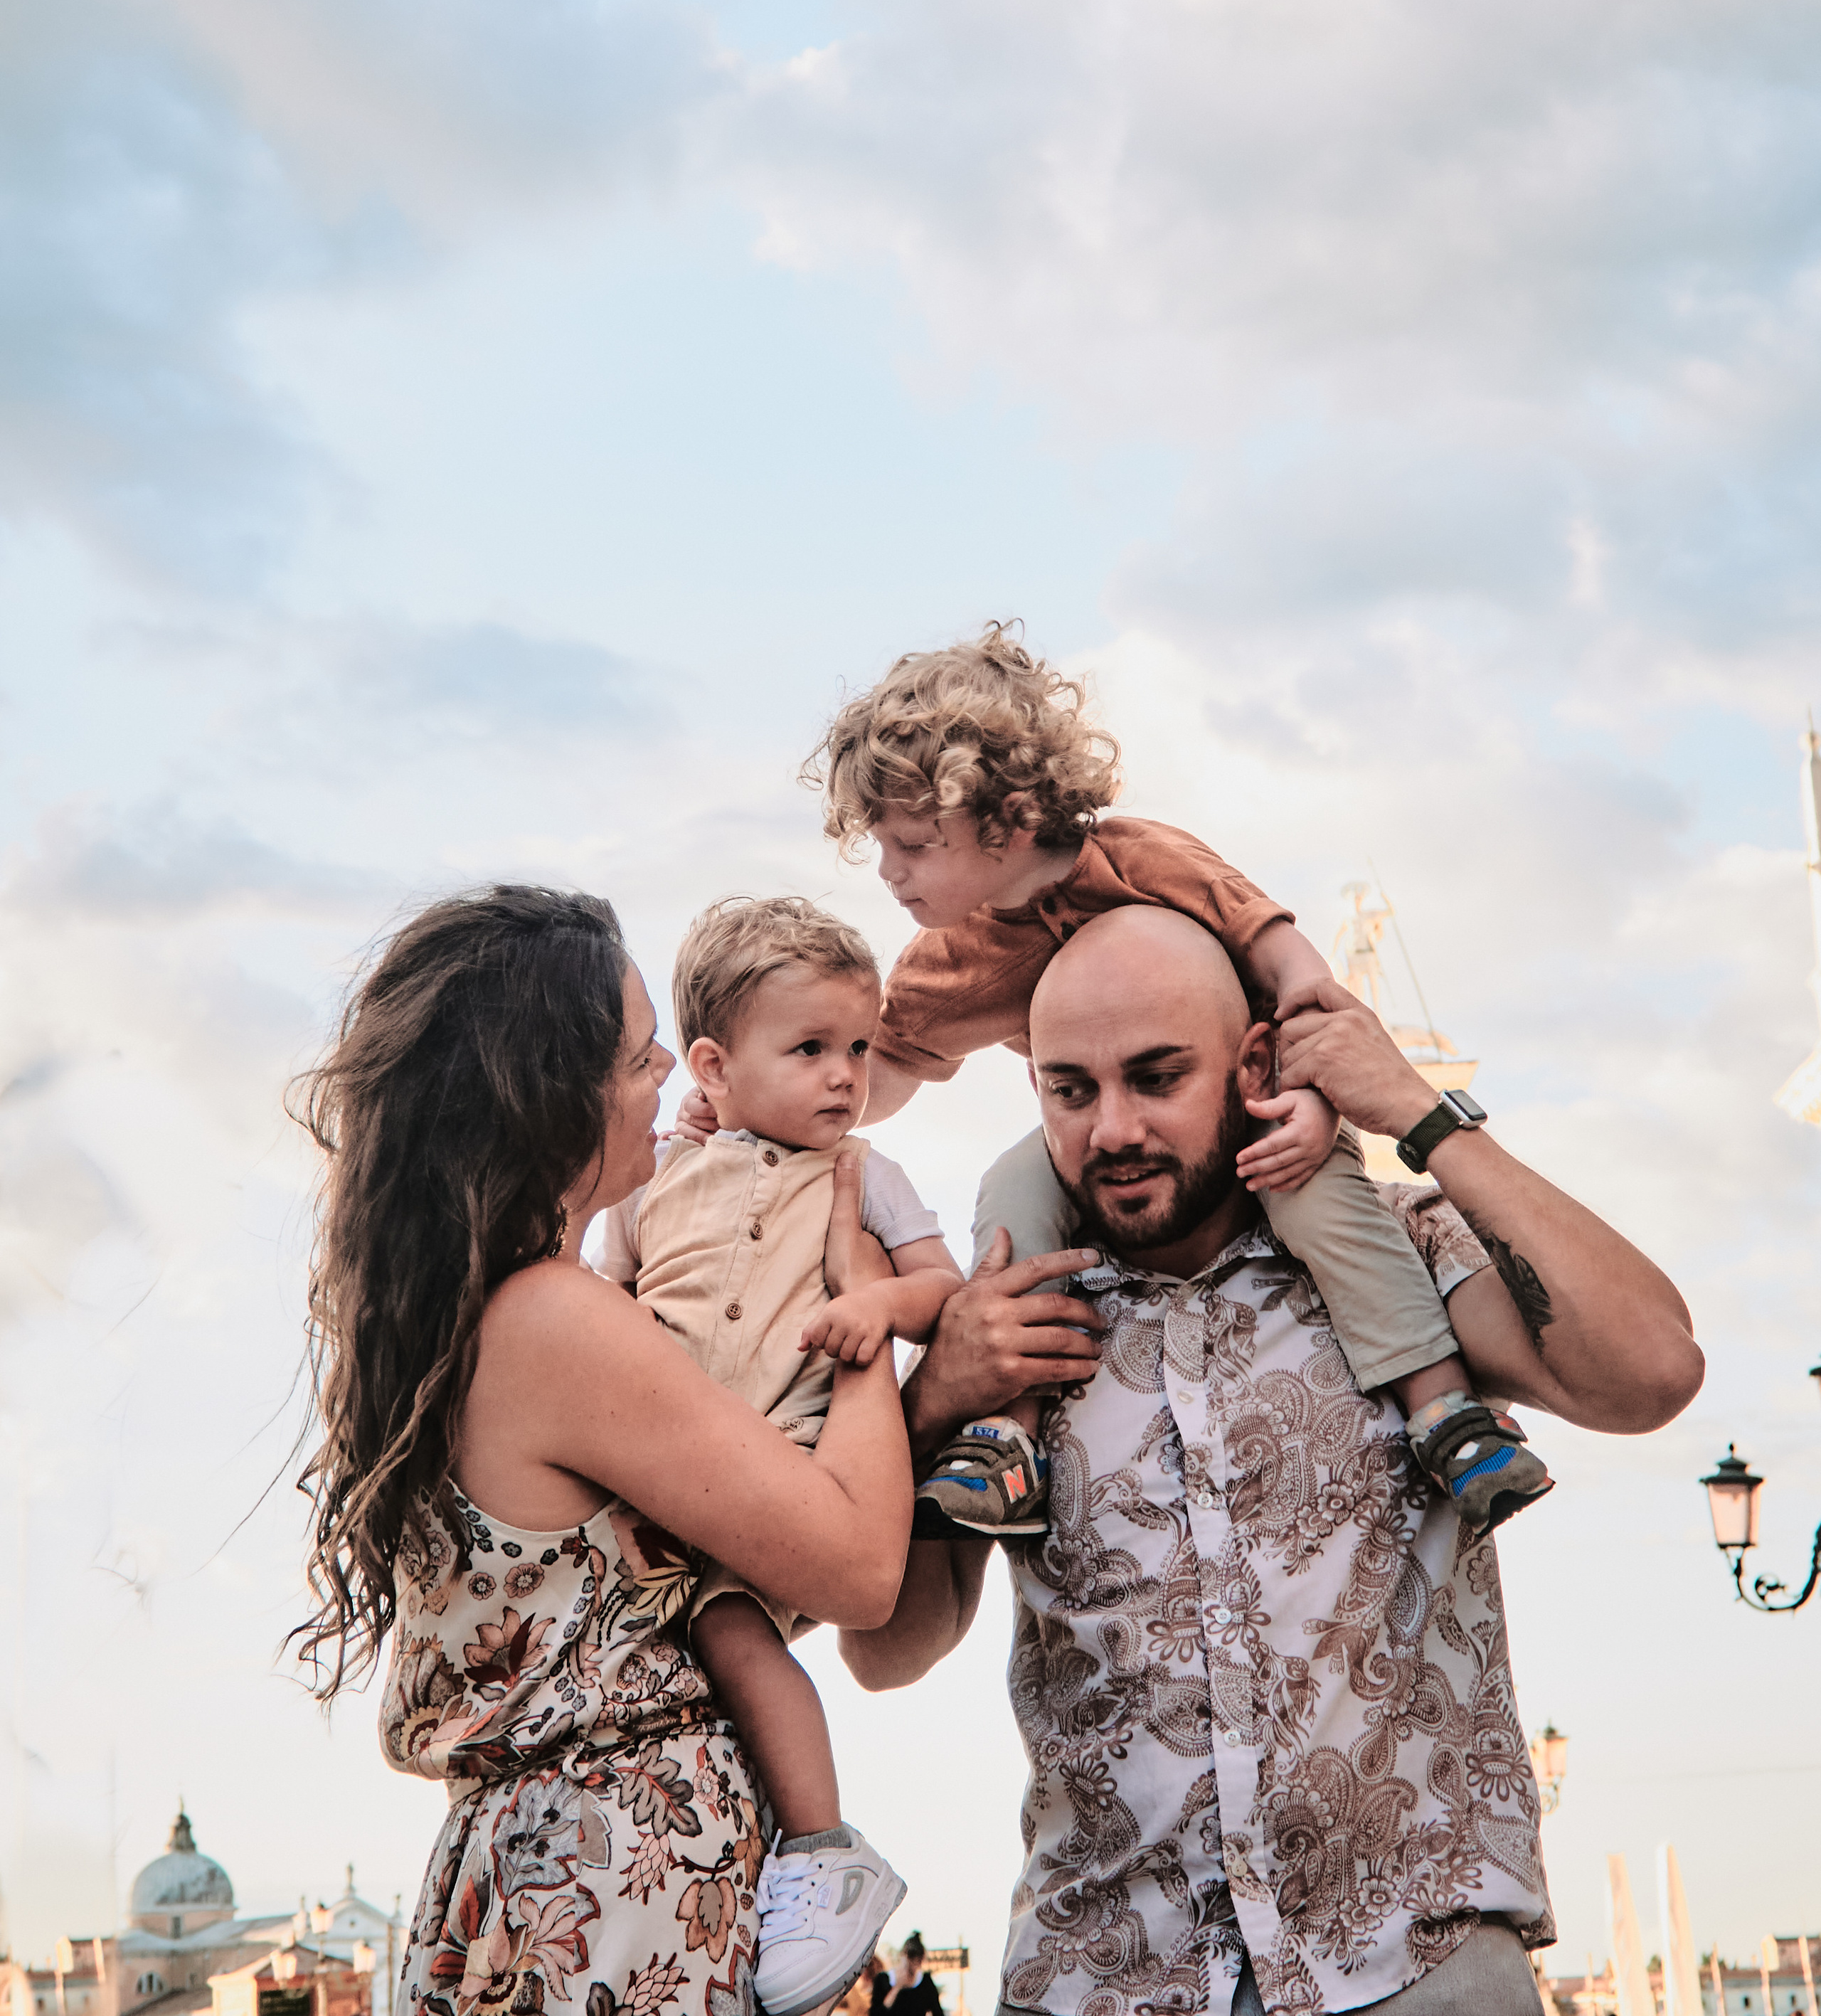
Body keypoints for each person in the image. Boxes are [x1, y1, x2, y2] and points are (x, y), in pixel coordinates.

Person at [840, 906, 1704, 2016]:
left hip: (1421, 1965)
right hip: (1104, 1980)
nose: (1111, 1129)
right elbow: (890, 1652)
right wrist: (929, 1406)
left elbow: (1654, 1371)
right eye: (1071, 1090)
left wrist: (1418, 1115)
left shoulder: (1396, 1256)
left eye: (1156, 1077)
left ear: (1252, 1065)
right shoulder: (1005, 1328)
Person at [293, 885, 914, 2016]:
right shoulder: (556, 1320)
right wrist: (862, 1309)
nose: (673, 1068)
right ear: (551, 1097)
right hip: (616, 1898)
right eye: (638, 1057)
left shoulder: (472, 1318)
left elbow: (732, 1558)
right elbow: (862, 1565)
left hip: (534, 1886)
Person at [796, 624, 1550, 1540]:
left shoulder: (1143, 862)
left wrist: (1310, 1101)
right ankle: (1009, 1437)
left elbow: (1297, 974)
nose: (891, 872)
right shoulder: (943, 966)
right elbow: (872, 1075)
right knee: (1014, 1190)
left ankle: (1445, 1412)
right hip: (1100, 1145)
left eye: (913, 844)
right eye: (882, 846)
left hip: (1252, 1108)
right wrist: (776, 1103)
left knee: (1321, 1200)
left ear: (1008, 817)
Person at [588, 898, 967, 2007]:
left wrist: (879, 1307)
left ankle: (822, 1845)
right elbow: (612, 1295)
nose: (846, 1076)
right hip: (655, 1475)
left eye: (859, 1046)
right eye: (810, 1050)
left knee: (738, 1636)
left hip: (784, 1475)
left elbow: (941, 1283)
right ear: (712, 1065)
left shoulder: (864, 1174)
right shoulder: (659, 1175)